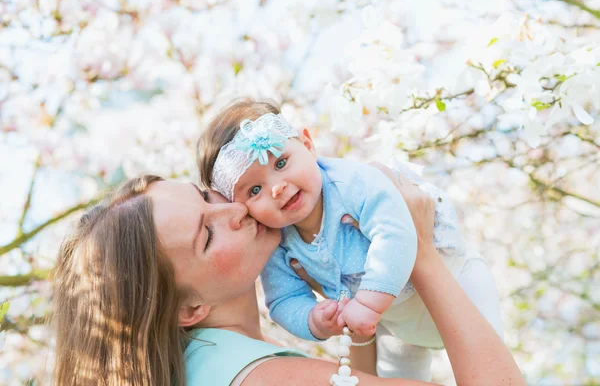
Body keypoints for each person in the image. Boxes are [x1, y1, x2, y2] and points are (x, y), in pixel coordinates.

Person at [51, 168, 525, 385]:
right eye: (206, 236)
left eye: (206, 197)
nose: (236, 209)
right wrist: (419, 253)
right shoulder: (257, 377)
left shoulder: (207, 368)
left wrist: (354, 294)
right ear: (189, 309)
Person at [196, 99, 503, 380]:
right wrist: (314, 319)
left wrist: (368, 303)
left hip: (456, 279)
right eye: (254, 190)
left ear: (308, 144)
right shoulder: (276, 243)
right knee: (397, 376)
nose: (276, 187)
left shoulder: (350, 183)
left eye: (280, 163)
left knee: (488, 350)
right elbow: (282, 299)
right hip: (395, 325)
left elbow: (395, 232)